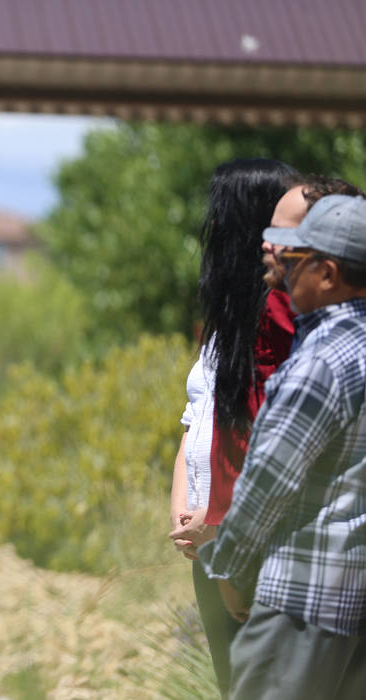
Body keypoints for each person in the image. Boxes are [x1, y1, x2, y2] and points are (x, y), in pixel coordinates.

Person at [198, 194, 366, 698]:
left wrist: (227, 574)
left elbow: (267, 485)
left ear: (329, 274)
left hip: (298, 607)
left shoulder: (321, 363)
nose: (283, 271)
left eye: (295, 261)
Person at [167, 158, 299, 698]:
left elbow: (265, 437)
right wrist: (182, 510)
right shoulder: (230, 318)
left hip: (246, 544)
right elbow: (199, 420)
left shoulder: (279, 313)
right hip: (209, 539)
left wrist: (224, 536)